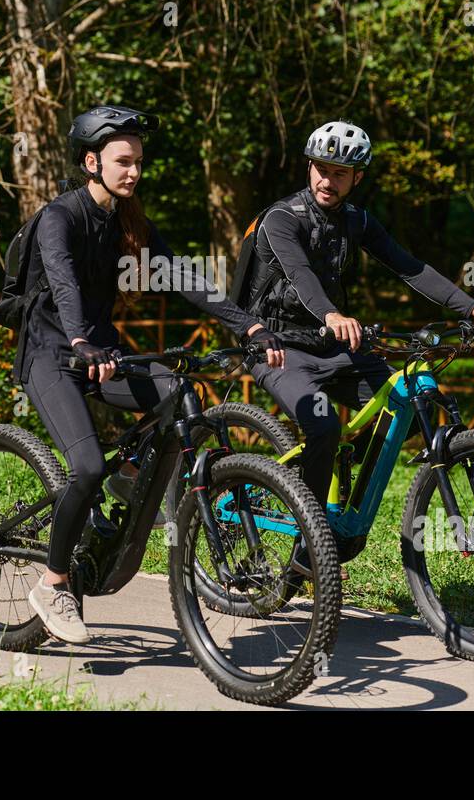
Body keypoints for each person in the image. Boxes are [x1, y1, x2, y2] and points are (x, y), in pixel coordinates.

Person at [15, 104, 284, 644]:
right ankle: (55, 582)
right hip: (51, 352)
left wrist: (248, 326)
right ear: (92, 162)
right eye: (123, 162)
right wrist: (80, 340)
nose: (134, 172)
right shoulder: (59, 218)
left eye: (138, 162)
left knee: (176, 391)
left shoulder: (127, 221)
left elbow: (184, 276)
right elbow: (64, 284)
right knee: (86, 467)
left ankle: (134, 474)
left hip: (101, 351)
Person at [236, 119, 474, 556]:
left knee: (400, 404)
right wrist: (332, 313)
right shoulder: (281, 220)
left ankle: (342, 479)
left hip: (335, 348)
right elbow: (299, 276)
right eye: (321, 168)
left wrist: (472, 307)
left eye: (340, 172)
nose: (328, 179)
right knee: (323, 424)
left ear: (357, 177)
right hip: (277, 348)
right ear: (309, 168)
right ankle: (312, 543)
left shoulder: (357, 221)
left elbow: (409, 267)